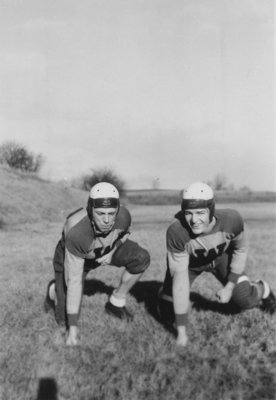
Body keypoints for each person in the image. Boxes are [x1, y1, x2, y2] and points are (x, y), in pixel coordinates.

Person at [158, 181, 276, 347]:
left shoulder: (231, 220)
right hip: (189, 266)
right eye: (188, 213)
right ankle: (164, 293)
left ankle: (262, 288)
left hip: (220, 259)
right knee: (167, 314)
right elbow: (180, 283)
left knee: (245, 301)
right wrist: (181, 332)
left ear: (211, 210)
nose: (194, 220)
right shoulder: (176, 232)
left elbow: (240, 250)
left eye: (200, 212)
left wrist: (229, 287)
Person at [44, 182, 150, 346]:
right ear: (90, 209)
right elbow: (75, 282)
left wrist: (111, 251)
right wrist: (73, 329)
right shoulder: (77, 232)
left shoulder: (123, 216)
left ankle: (116, 303)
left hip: (102, 251)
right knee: (65, 319)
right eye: (100, 213)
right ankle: (53, 291)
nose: (107, 220)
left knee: (141, 257)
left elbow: (125, 233)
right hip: (73, 254)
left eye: (111, 213)